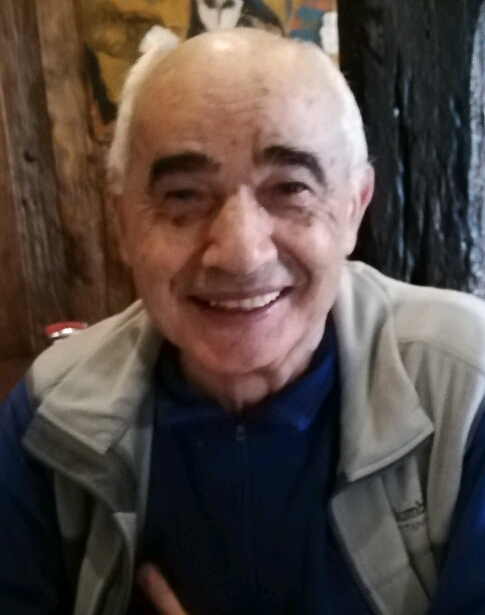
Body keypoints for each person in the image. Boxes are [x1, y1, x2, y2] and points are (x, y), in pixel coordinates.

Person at [1, 27, 485, 615]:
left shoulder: (468, 387)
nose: (241, 254)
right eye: (183, 195)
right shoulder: (50, 411)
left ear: (354, 208)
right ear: (123, 222)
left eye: (290, 188)